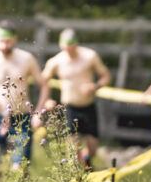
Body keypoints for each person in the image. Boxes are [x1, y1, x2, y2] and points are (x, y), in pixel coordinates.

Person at [0, 20, 49, 171]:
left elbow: (44, 85)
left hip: (21, 118)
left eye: (8, 41)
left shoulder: (26, 59)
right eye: (1, 41)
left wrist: (38, 113)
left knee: (20, 167)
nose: (4, 46)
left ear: (15, 39)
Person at [39, 28, 111, 168]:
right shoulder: (56, 61)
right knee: (73, 148)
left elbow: (106, 76)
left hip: (88, 106)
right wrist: (47, 100)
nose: (69, 51)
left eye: (72, 47)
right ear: (61, 46)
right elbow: (43, 81)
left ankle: (85, 160)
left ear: (76, 44)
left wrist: (95, 86)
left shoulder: (89, 56)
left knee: (93, 149)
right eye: (66, 48)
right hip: (69, 108)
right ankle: (76, 178)